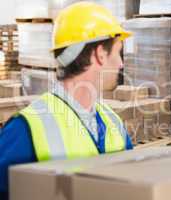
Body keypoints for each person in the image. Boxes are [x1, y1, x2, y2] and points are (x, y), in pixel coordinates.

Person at [0, 2, 133, 199]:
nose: (121, 63)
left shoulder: (113, 124)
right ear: (100, 54)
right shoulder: (26, 129)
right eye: (118, 51)